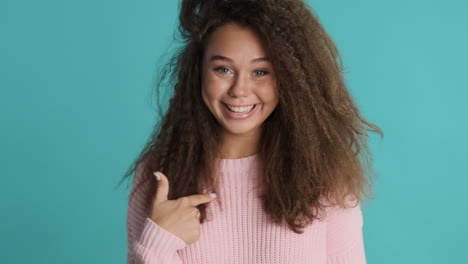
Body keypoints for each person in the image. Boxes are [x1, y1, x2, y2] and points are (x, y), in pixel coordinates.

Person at [120, 0, 383, 263]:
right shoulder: (157, 175)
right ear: (198, 71)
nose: (240, 90)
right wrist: (156, 246)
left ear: (288, 77)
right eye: (223, 69)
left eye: (260, 71)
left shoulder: (325, 177)